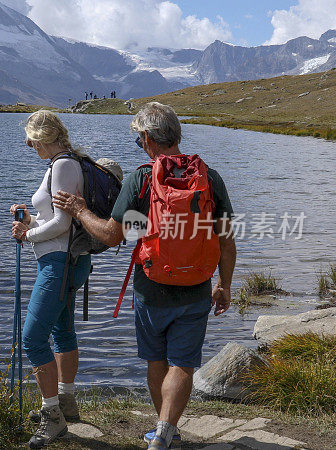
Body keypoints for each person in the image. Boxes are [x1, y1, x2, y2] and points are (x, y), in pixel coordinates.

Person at [51, 102, 236, 450]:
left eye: (139, 140)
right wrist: (224, 285)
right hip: (197, 286)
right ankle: (167, 431)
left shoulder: (141, 179)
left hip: (151, 288)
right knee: (183, 363)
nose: (140, 146)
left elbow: (113, 235)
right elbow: (226, 240)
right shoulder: (210, 179)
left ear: (149, 139)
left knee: (157, 360)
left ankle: (164, 431)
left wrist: (78, 209)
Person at [9, 110, 92, 449]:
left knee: (32, 338)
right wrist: (30, 220)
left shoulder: (62, 165)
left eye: (32, 138)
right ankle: (66, 401)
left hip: (59, 263)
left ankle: (52, 416)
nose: (29, 144)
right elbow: (55, 219)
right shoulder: (66, 163)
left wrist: (26, 235)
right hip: (68, 261)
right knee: (61, 331)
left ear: (46, 136)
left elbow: (60, 225)